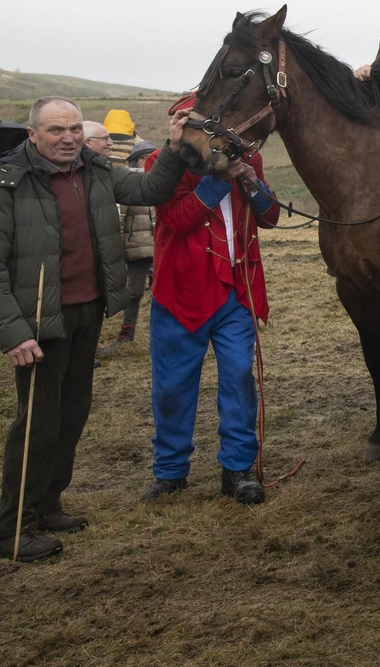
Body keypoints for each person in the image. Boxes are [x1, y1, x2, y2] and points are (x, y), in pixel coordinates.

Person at [0, 96, 188, 561]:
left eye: (72, 129)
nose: (67, 138)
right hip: (38, 324)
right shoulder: (4, 185)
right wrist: (14, 334)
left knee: (71, 416)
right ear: (33, 135)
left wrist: (171, 146)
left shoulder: (94, 171)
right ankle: (10, 530)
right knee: (36, 424)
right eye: (55, 131)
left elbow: (150, 191)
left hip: (87, 312)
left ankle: (48, 505)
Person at [139, 142, 280, 505]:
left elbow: (270, 217)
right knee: (172, 386)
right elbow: (176, 219)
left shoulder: (250, 159)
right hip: (181, 290)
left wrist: (250, 180)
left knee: (238, 377)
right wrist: (219, 179)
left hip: (236, 289)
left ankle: (238, 468)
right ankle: (170, 471)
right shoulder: (162, 162)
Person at [100, 138, 158, 357]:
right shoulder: (129, 182)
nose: (150, 161)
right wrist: (120, 247)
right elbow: (121, 218)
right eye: (145, 157)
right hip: (137, 247)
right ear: (137, 159)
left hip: (161, 247)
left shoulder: (161, 181)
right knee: (134, 292)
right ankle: (127, 331)